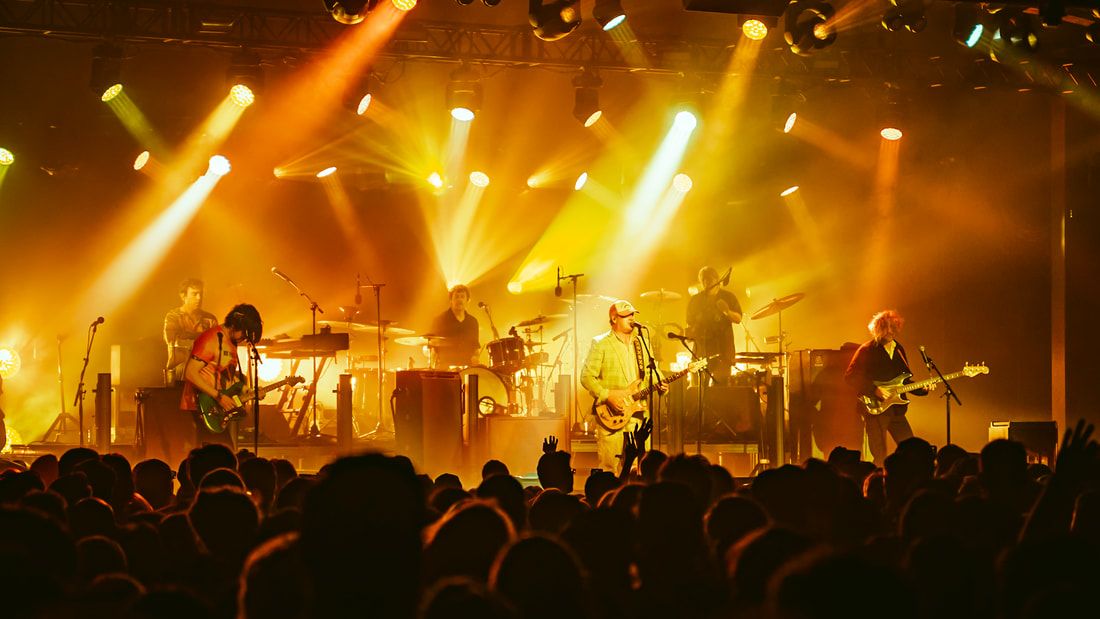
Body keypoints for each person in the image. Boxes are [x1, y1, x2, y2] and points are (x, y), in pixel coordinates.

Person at [580, 300, 666, 475]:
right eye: (626, 315)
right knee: (610, 469)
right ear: (614, 319)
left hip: (638, 415)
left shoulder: (642, 343)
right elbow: (586, 377)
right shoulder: (601, 343)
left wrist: (662, 383)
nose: (632, 318)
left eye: (633, 314)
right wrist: (607, 396)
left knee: (639, 468)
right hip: (611, 415)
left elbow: (652, 372)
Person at [844, 309, 934, 466]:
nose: (892, 331)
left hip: (897, 411)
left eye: (894, 327)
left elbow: (905, 381)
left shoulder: (899, 349)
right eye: (888, 327)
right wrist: (874, 389)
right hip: (876, 410)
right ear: (878, 328)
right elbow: (851, 376)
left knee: (911, 450)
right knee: (880, 457)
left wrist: (922, 390)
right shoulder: (867, 350)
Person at [180, 304, 263, 446]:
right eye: (243, 334)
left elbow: (226, 375)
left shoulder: (231, 342)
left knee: (219, 449)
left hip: (218, 404)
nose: (244, 338)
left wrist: (247, 391)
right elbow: (190, 373)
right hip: (203, 403)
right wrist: (219, 396)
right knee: (221, 448)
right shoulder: (211, 339)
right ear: (233, 325)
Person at [686, 266, 742, 386]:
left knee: (721, 390)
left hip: (723, 351)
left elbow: (738, 319)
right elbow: (689, 324)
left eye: (709, 279)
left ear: (717, 279)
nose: (707, 282)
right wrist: (690, 333)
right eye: (703, 280)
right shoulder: (696, 300)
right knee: (697, 389)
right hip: (700, 351)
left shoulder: (728, 297)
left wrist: (727, 311)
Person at [164, 278, 218, 385]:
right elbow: (173, 341)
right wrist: (202, 340)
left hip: (205, 369)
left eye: (200, 294)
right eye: (194, 294)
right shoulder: (173, 317)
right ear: (183, 296)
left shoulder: (210, 319)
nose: (199, 298)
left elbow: (216, 345)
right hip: (179, 369)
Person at [431, 284, 480, 368]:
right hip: (445, 368)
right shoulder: (440, 320)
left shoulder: (473, 322)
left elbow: (475, 347)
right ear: (451, 300)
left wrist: (475, 358)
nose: (459, 300)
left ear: (467, 300)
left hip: (467, 368)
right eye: (456, 297)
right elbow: (434, 348)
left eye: (462, 297)